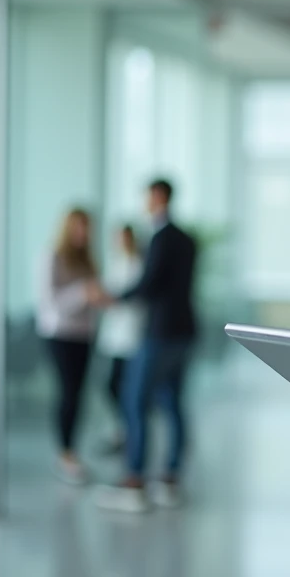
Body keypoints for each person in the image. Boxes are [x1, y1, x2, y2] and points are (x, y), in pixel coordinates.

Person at [95, 180, 198, 513]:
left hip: (160, 332)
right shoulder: (187, 239)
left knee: (134, 398)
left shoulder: (161, 237)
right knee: (172, 399)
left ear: (158, 197)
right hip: (185, 330)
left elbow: (150, 283)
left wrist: (116, 298)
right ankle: (170, 478)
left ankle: (134, 480)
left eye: (148, 197)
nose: (146, 203)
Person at [36, 208, 107, 486]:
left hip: (84, 335)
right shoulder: (51, 256)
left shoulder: (88, 260)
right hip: (59, 335)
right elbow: (49, 302)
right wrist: (82, 293)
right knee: (67, 393)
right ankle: (64, 453)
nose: (83, 233)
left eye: (87, 228)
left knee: (78, 394)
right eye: (78, 227)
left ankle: (72, 450)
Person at [94, 224, 144, 455]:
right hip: (116, 334)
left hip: (132, 334)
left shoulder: (139, 265)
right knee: (113, 386)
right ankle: (123, 430)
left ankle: (128, 432)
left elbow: (132, 296)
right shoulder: (115, 262)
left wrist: (112, 299)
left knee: (123, 386)